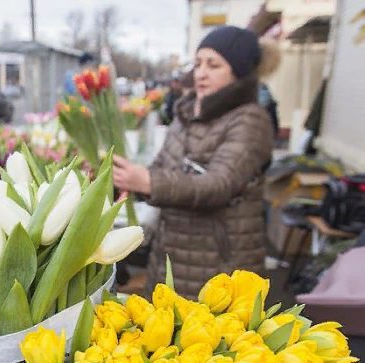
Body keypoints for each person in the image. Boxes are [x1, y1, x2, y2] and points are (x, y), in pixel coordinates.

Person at [112, 26, 279, 298]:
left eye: (214, 65)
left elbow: (218, 185)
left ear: (239, 72)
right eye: (198, 63)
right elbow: (160, 168)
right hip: (170, 256)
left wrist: (149, 181)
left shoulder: (249, 119)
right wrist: (124, 177)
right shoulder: (185, 115)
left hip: (218, 264)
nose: (201, 72)